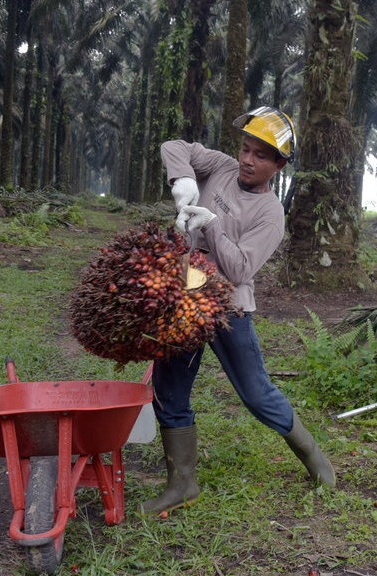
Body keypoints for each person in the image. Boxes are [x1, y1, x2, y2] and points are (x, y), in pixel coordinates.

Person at [140, 106, 336, 517]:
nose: (248, 160)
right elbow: (173, 146)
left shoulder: (271, 215)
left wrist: (210, 222)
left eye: (261, 155)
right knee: (169, 388)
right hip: (186, 297)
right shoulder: (223, 168)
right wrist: (184, 181)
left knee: (256, 394)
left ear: (278, 165)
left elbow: (240, 269)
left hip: (229, 307)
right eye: (246, 149)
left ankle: (315, 459)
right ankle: (182, 484)